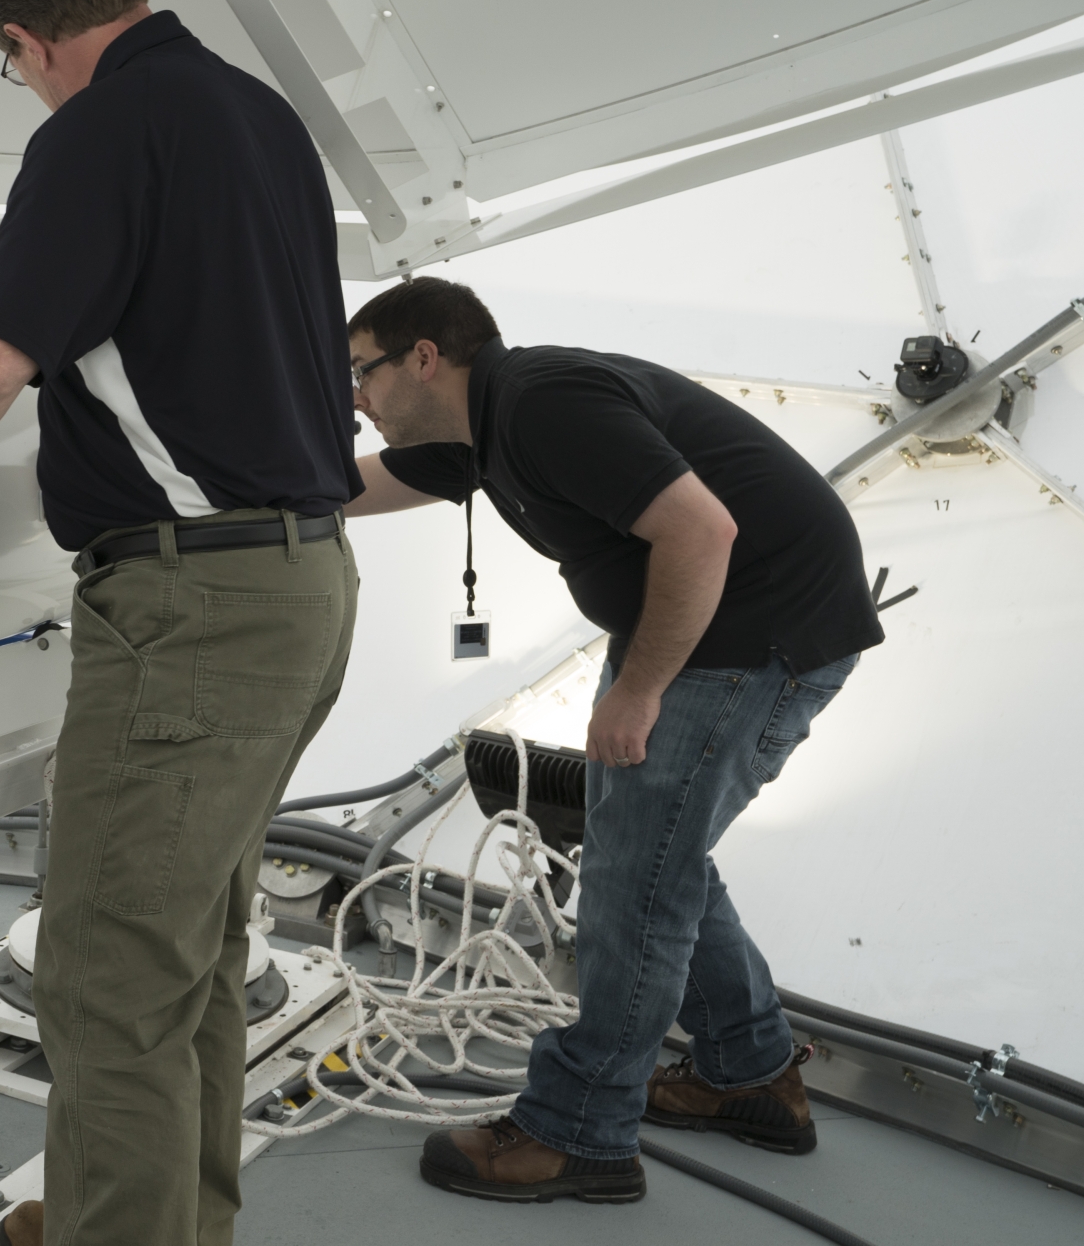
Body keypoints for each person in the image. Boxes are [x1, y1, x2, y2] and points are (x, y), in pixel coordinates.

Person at [0, 0, 362, 1246]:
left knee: (104, 975)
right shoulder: (258, 115)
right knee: (193, 954)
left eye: (15, 65)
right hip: (306, 583)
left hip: (194, 610)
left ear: (27, 42)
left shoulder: (96, 131)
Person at [342, 276, 883, 1204]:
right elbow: (340, 484)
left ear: (424, 357)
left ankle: (579, 1131)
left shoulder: (544, 402)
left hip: (751, 637)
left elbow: (702, 530)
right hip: (707, 631)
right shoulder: (479, 428)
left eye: (361, 371)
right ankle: (749, 1076)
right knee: (654, 853)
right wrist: (213, 481)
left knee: (637, 880)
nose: (353, 395)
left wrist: (637, 691)